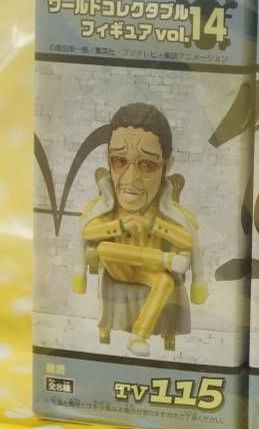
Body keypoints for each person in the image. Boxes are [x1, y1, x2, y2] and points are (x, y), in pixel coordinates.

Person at [72, 103, 207, 356]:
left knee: (165, 281)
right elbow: (88, 232)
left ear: (167, 165)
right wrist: (122, 225)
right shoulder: (106, 207)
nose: (131, 178)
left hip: (149, 272)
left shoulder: (168, 212)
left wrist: (154, 225)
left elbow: (187, 240)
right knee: (105, 249)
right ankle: (163, 259)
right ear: (108, 159)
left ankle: (139, 336)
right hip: (119, 267)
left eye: (147, 165)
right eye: (119, 161)